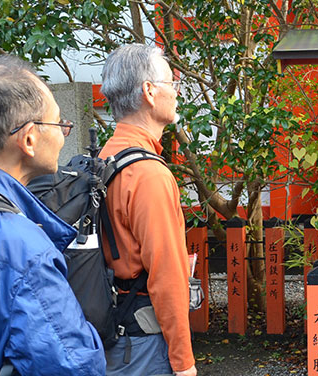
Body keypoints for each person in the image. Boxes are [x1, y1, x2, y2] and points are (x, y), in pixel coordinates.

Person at [0, 55, 106, 375]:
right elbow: (74, 366)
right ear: (29, 139)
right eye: (57, 123)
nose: (64, 132)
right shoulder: (23, 249)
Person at [98, 44, 197, 376]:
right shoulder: (149, 174)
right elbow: (167, 278)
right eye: (172, 84)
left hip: (110, 331)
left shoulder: (104, 159)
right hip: (141, 344)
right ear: (150, 92)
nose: (177, 93)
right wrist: (184, 363)